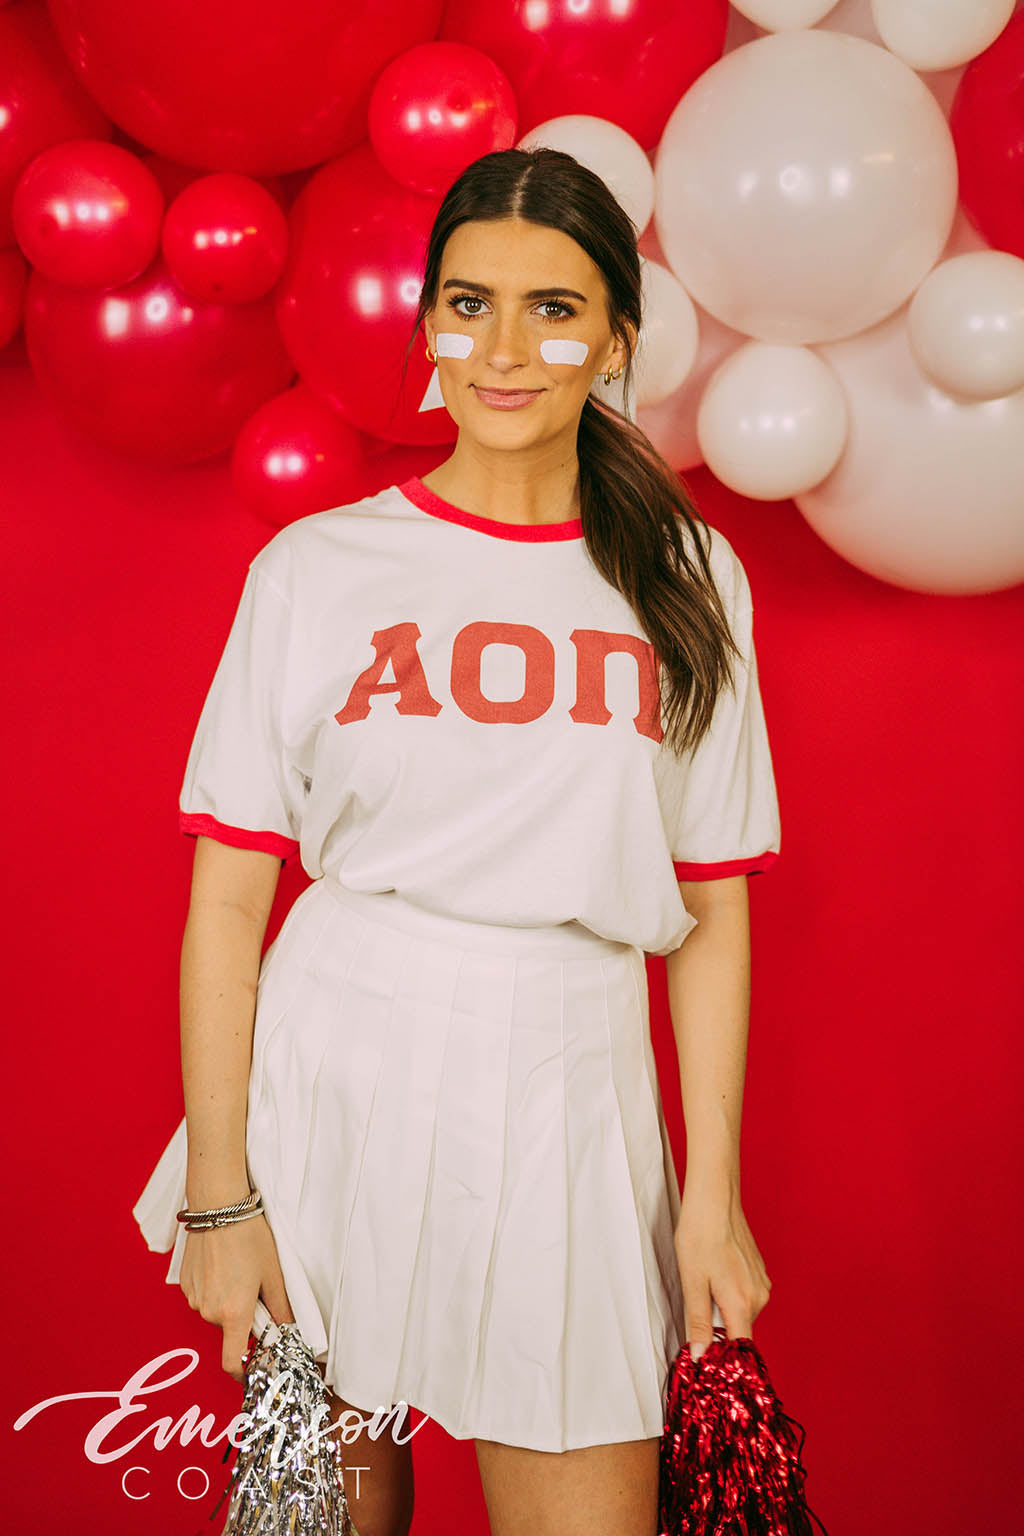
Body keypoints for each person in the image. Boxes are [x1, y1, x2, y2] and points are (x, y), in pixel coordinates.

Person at [132, 146, 781, 1536]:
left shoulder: (688, 579)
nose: (504, 348)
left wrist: (709, 1202)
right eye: (469, 304)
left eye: (555, 309)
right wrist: (220, 1197)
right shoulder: (316, 569)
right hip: (338, 1071)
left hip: (570, 1078)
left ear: (617, 339)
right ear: (427, 321)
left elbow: (713, 906)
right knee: (324, 1519)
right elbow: (230, 903)